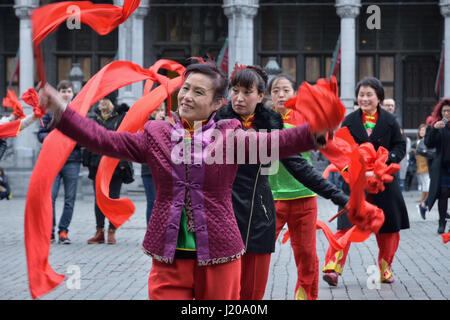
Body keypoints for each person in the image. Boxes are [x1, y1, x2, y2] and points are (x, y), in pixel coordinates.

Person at [38, 61, 332, 300]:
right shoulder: (157, 135)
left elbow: (277, 142)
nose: (187, 97)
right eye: (186, 88)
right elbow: (105, 140)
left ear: (218, 103)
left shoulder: (230, 137)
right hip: (169, 257)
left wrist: (316, 130)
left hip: (219, 254)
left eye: (199, 93)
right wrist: (61, 112)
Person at [267, 73, 349, 300]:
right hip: (270, 198)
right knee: (258, 252)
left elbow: (330, 145)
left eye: (285, 90)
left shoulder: (305, 117)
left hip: (304, 196)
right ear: (268, 95)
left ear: (294, 94)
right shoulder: (262, 119)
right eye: (275, 90)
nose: (281, 95)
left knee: (306, 255)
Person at [322, 77, 409, 286]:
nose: (365, 98)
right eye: (361, 94)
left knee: (389, 229)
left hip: (384, 183)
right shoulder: (350, 121)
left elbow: (400, 147)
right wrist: (352, 170)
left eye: (369, 94)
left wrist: (386, 161)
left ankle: (385, 269)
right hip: (355, 183)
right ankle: (332, 267)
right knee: (345, 227)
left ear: (379, 97)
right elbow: (340, 150)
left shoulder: (390, 121)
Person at [83, 94, 134, 244]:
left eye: (106, 100)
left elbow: (125, 138)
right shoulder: (95, 118)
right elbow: (88, 138)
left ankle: (112, 231)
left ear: (112, 103)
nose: (103, 103)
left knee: (113, 198)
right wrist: (86, 160)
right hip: (97, 164)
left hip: (115, 165)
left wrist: (125, 161)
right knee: (99, 199)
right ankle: (99, 231)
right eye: (101, 100)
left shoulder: (120, 118)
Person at [37, 80, 81, 244]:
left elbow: (84, 137)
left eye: (69, 91)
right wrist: (52, 138)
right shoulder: (49, 113)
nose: (66, 94)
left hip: (72, 160)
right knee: (50, 197)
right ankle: (49, 231)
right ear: (58, 93)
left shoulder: (78, 112)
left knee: (70, 199)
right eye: (63, 91)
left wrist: (73, 141)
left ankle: (63, 231)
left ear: (72, 94)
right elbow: (40, 134)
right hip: (53, 160)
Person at [424, 98, 450, 234]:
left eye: (449, 111)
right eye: (444, 111)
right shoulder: (436, 125)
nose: (447, 114)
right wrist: (434, 129)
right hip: (443, 167)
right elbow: (428, 143)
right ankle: (441, 222)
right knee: (443, 194)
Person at [141, 103, 166, 225]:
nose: (160, 113)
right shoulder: (146, 125)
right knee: (152, 201)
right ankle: (150, 232)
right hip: (149, 170)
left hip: (163, 170)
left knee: (163, 202)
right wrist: (156, 124)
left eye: (162, 110)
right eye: (157, 110)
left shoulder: (168, 124)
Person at [415, 124, 431, 219]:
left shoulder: (421, 141)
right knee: (427, 184)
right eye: (421, 130)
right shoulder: (421, 142)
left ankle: (424, 202)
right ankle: (424, 202)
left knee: (426, 184)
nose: (422, 132)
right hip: (424, 166)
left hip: (423, 166)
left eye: (423, 130)